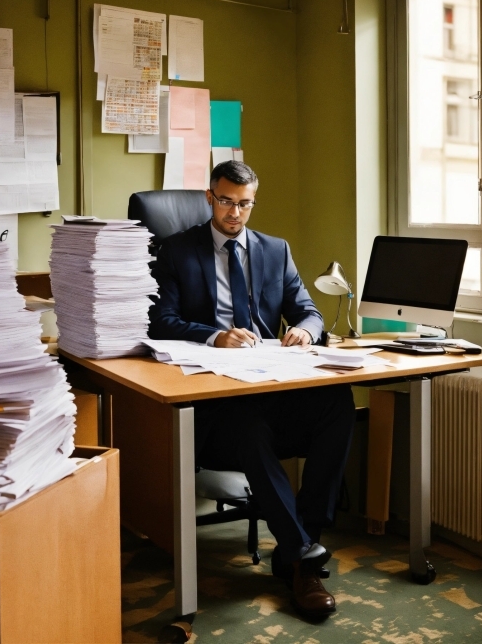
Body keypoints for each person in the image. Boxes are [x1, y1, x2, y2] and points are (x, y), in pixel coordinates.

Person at [149, 160, 356, 620]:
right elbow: (160, 321)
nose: (235, 213)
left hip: (271, 381)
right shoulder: (176, 251)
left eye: (245, 204)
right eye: (226, 202)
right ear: (209, 197)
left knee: (338, 403)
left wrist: (304, 330)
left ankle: (302, 541)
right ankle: (303, 558)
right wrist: (213, 334)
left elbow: (310, 310)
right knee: (247, 422)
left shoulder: (274, 250)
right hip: (218, 401)